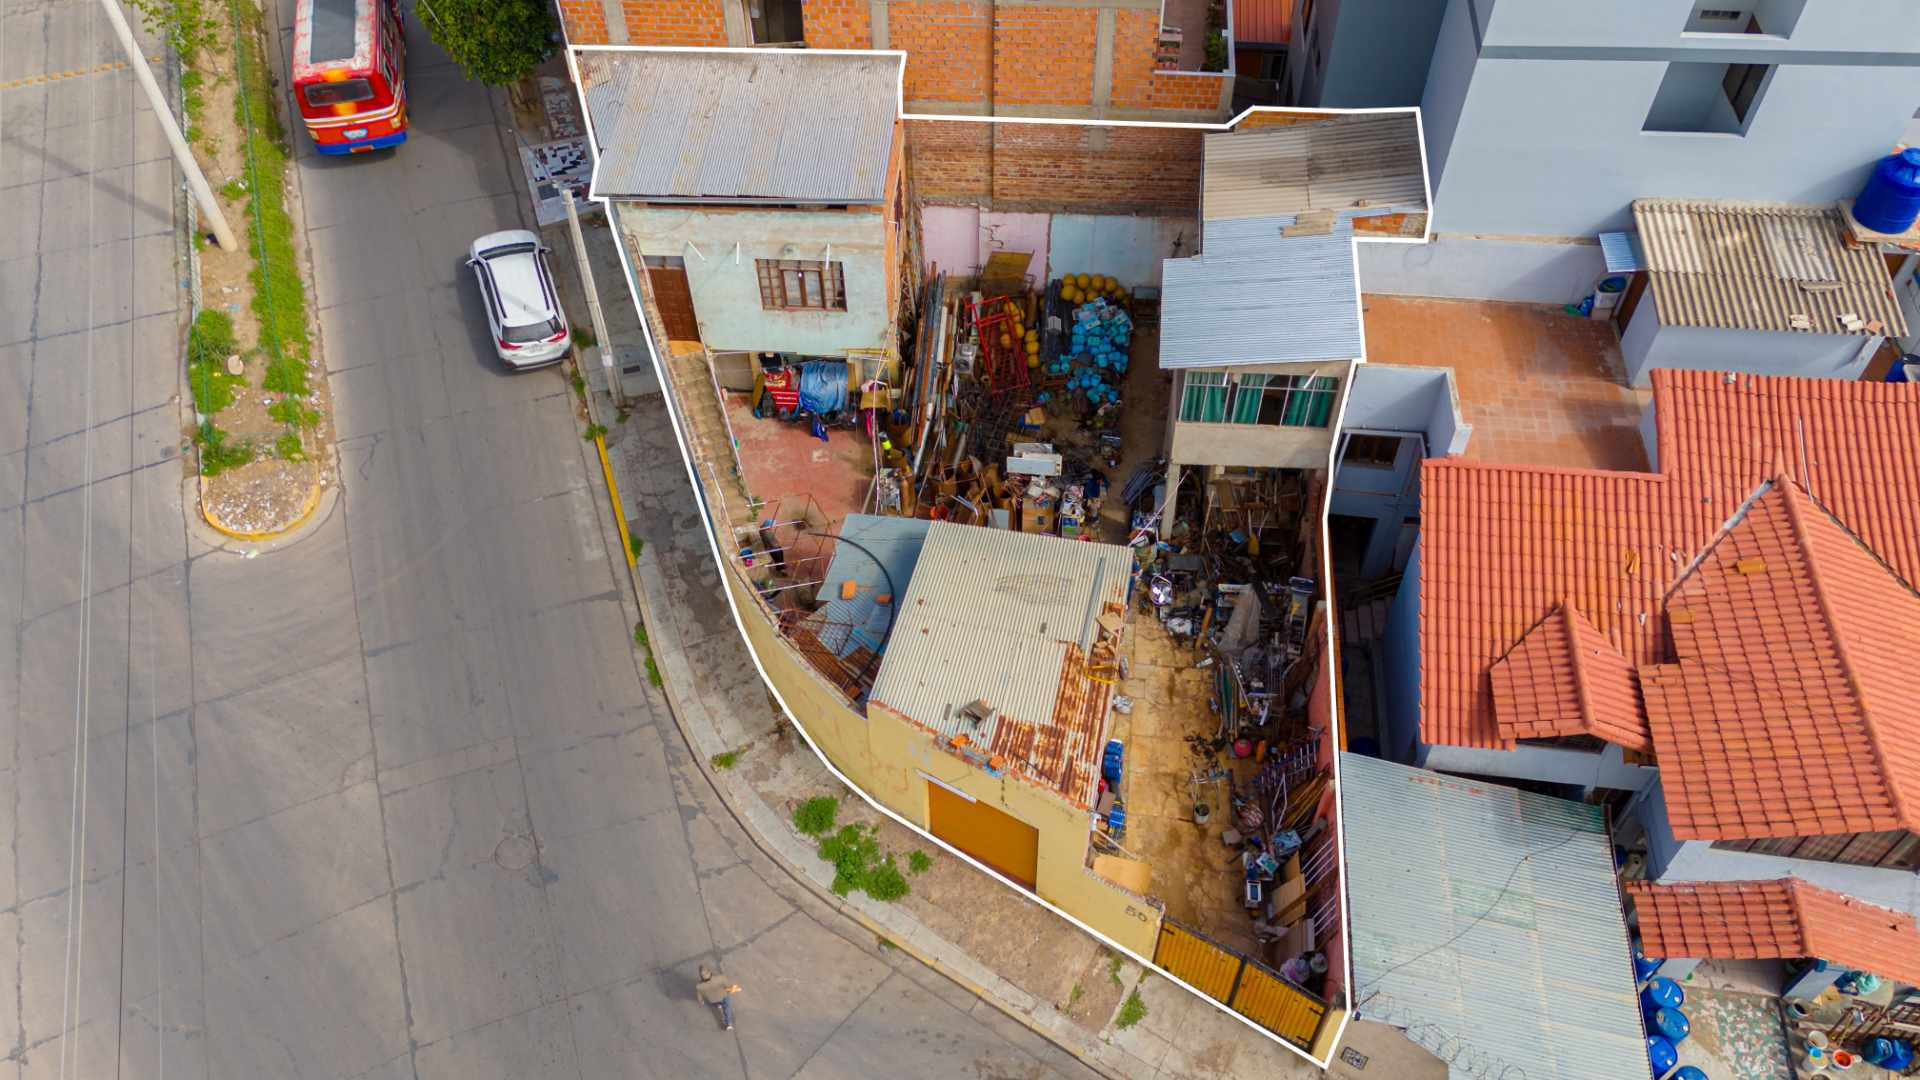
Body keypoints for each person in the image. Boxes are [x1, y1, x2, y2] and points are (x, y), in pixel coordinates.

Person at [696, 965, 741, 1030]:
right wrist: (733, 988)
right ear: (709, 972)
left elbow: (699, 995)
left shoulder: (699, 986)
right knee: (727, 1008)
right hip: (723, 995)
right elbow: (728, 985)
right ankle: (728, 1023)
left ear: (701, 977)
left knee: (716, 1002)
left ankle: (718, 1005)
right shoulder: (720, 978)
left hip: (713, 999)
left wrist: (701, 1001)